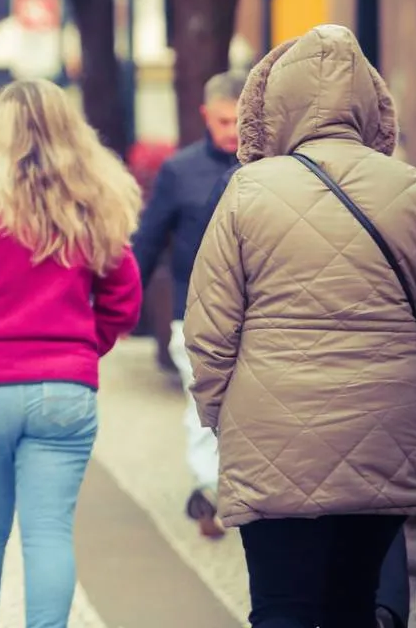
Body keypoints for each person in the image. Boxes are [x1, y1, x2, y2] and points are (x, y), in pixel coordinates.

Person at [185, 25, 416, 628]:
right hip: (385, 428)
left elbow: (209, 331)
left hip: (269, 431)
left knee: (280, 607)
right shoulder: (415, 190)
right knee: (353, 605)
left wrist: (225, 415)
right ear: (370, 103)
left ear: (275, 104)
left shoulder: (247, 191)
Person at [0, 80, 144, 628]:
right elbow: (124, 295)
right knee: (48, 533)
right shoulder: (94, 198)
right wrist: (83, 348)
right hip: (65, 391)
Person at [130, 71, 243, 539]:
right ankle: (209, 490)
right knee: (202, 406)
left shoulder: (273, 166)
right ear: (205, 115)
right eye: (223, 120)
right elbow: (148, 240)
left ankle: (237, 491)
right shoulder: (179, 171)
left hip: (251, 314)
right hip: (189, 312)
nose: (233, 130)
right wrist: (122, 305)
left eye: (240, 120)